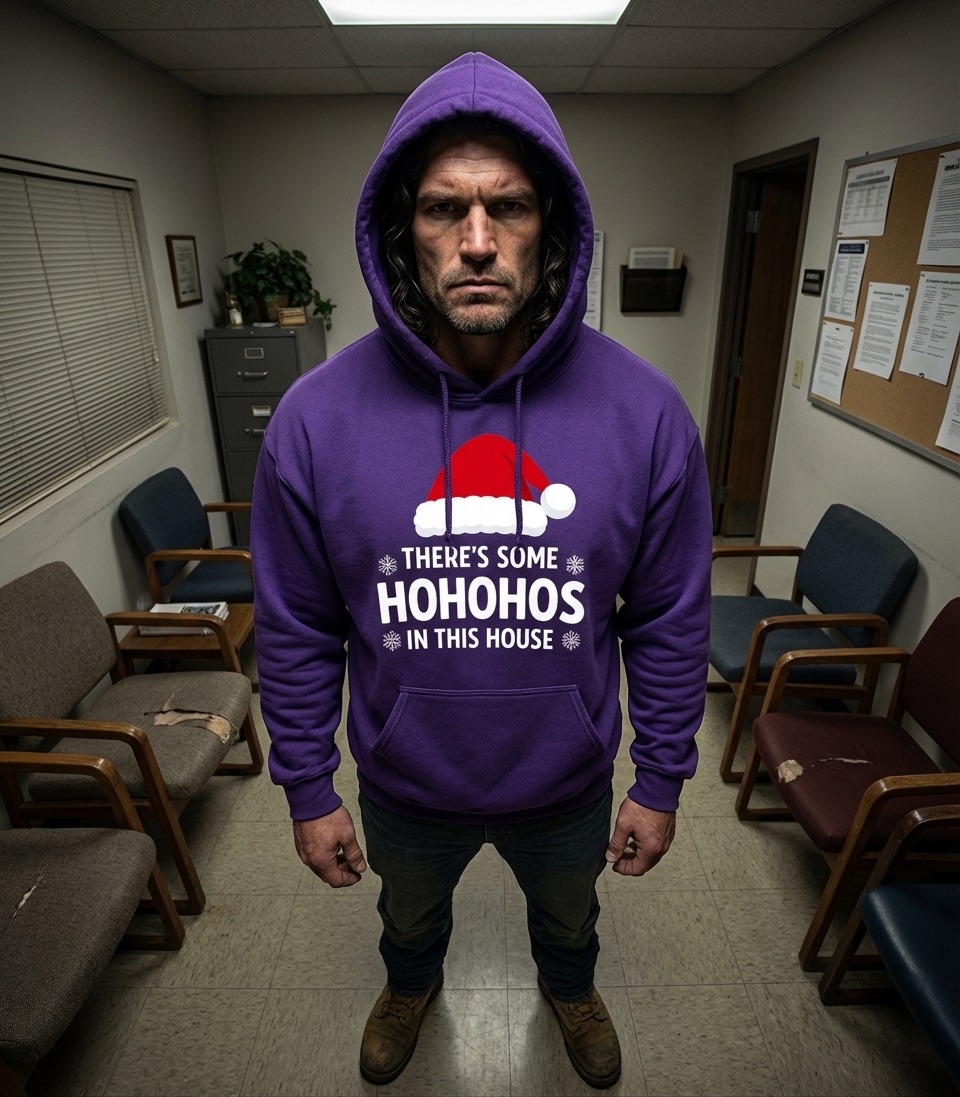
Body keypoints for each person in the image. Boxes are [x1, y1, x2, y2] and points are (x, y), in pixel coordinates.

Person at [252, 53, 711, 1091]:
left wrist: (663, 777)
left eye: (507, 205)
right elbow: (295, 624)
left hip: (567, 781)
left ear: (552, 227)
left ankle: (570, 987)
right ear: (399, 231)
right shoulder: (314, 421)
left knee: (571, 916)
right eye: (442, 208)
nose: (475, 239)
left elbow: (671, 615)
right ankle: (409, 984)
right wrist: (308, 786)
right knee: (407, 916)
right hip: (406, 781)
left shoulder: (645, 414)